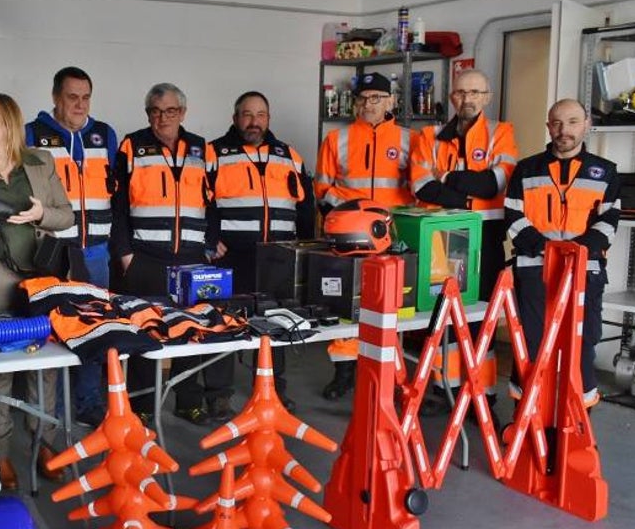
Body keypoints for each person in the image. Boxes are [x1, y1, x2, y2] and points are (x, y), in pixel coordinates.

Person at [0, 94, 74, 490]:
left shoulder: (41, 164)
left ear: (9, 123)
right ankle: (1, 456)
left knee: (46, 369)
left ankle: (45, 444)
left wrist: (42, 213)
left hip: (39, 283)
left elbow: (66, 214)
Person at [113, 83, 222, 424]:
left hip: (192, 258)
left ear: (183, 113)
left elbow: (214, 203)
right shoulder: (132, 145)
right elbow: (116, 207)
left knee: (190, 330)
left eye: (170, 111)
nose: (162, 118)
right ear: (148, 114)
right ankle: (143, 406)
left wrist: (210, 243)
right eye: (155, 111)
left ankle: (188, 401)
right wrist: (126, 254)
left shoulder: (203, 149)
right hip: (145, 258)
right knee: (146, 332)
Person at [409, 69, 518, 407]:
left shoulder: (501, 133)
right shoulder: (428, 136)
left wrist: (449, 177)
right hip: (440, 239)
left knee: (480, 321)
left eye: (475, 92)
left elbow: (494, 184)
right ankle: (446, 388)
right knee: (441, 317)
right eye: (460, 92)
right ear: (452, 97)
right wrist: (469, 194)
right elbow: (421, 187)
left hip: (485, 241)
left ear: (487, 97)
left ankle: (480, 394)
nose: (467, 99)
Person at [505, 99, 619, 408]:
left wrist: (576, 251)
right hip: (533, 269)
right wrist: (548, 249)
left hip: (585, 270)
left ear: (586, 124)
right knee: (530, 344)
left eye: (571, 122)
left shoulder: (606, 172)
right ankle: (525, 416)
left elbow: (609, 221)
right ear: (548, 127)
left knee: (582, 344)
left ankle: (579, 424)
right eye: (556, 123)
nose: (563, 130)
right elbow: (513, 216)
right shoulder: (526, 169)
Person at [207, 91, 315, 412]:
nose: (254, 122)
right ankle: (218, 394)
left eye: (261, 115)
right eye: (247, 114)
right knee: (223, 322)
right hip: (230, 256)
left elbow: (306, 207)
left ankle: (271, 389)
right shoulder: (214, 153)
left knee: (276, 324)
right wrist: (209, 238)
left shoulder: (289, 155)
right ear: (234, 117)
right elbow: (200, 202)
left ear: (269, 118)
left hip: (277, 257)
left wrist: (307, 249)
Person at [25, 66, 119, 427]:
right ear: (55, 97)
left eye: (85, 97)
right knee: (54, 332)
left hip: (95, 251)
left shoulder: (105, 135)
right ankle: (51, 410)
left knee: (95, 329)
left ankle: (87, 402)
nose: (79, 105)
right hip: (53, 252)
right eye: (71, 97)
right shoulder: (33, 134)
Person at [314, 71, 414, 401]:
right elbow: (323, 188)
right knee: (346, 303)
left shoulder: (409, 140)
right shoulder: (336, 139)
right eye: (363, 98)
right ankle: (344, 371)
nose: (368, 104)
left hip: (391, 237)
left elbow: (419, 189)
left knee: (393, 305)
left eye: (376, 98)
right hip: (349, 237)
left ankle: (391, 373)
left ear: (391, 102)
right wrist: (346, 216)